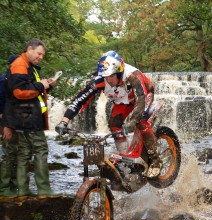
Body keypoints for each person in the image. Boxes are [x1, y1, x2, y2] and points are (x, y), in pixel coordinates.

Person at [55, 50, 162, 178]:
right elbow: (79, 100)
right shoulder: (100, 81)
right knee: (114, 124)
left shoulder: (133, 76)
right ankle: (124, 156)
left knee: (140, 121)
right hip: (122, 100)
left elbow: (141, 101)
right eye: (105, 76)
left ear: (119, 72)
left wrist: (133, 121)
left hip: (143, 95)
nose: (108, 80)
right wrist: (64, 121)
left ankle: (155, 160)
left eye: (111, 76)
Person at [2, 39, 61, 199]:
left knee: (24, 153)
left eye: (43, 54)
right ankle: (44, 190)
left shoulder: (28, 66)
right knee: (40, 150)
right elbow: (20, 92)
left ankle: (22, 191)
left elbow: (29, 87)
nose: (41, 57)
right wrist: (41, 85)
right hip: (27, 116)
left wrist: (46, 84)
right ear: (29, 49)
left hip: (24, 115)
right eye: (39, 53)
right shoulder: (20, 65)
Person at [0, 55, 19, 198]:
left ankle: (14, 185)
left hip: (17, 122)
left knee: (15, 153)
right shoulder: (4, 80)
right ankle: (6, 187)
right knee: (10, 153)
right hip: (7, 122)